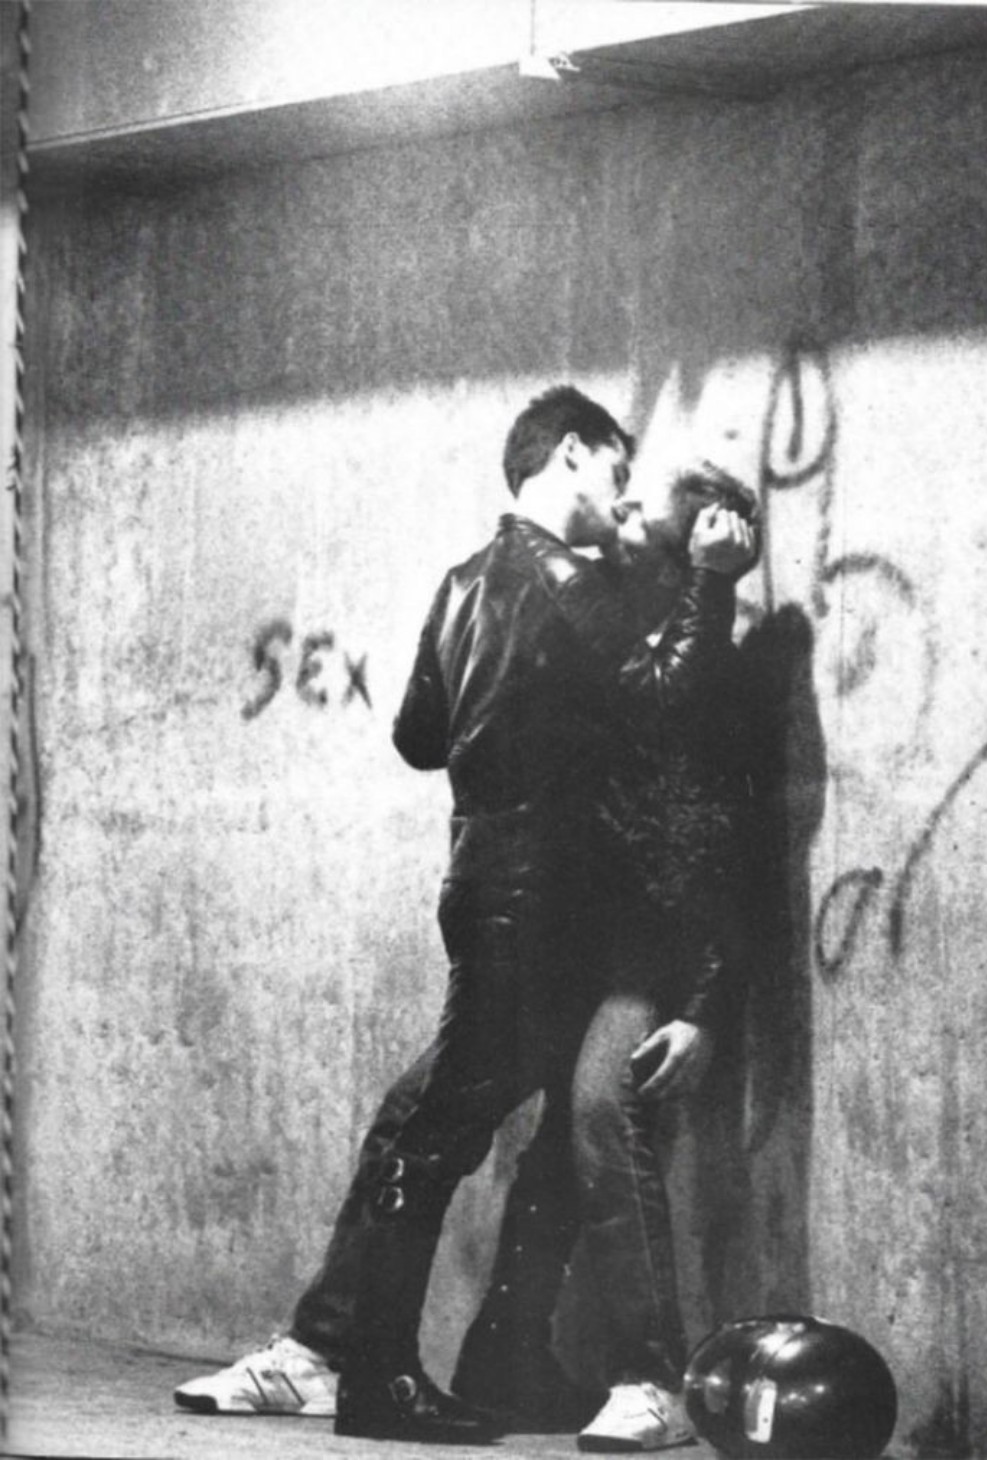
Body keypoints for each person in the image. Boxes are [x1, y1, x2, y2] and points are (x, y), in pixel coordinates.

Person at [173, 387, 755, 1444]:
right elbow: (653, 703)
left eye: (642, 503)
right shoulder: (577, 593)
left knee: (482, 1118)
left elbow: (419, 736)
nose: (623, 505)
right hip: (551, 917)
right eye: (617, 477)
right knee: (445, 1126)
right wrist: (704, 594)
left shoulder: (475, 586)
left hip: (530, 907)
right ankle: (366, 1367)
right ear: (571, 453)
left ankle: (404, 1355)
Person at [451, 462, 763, 1449]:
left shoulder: (705, 669)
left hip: (649, 958)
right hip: (563, 946)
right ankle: (500, 1356)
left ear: (680, 551)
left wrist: (705, 1007)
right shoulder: (601, 635)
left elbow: (729, 845)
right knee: (527, 1133)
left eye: (639, 508)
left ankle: (654, 1377)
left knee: (596, 1105)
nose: (615, 508)